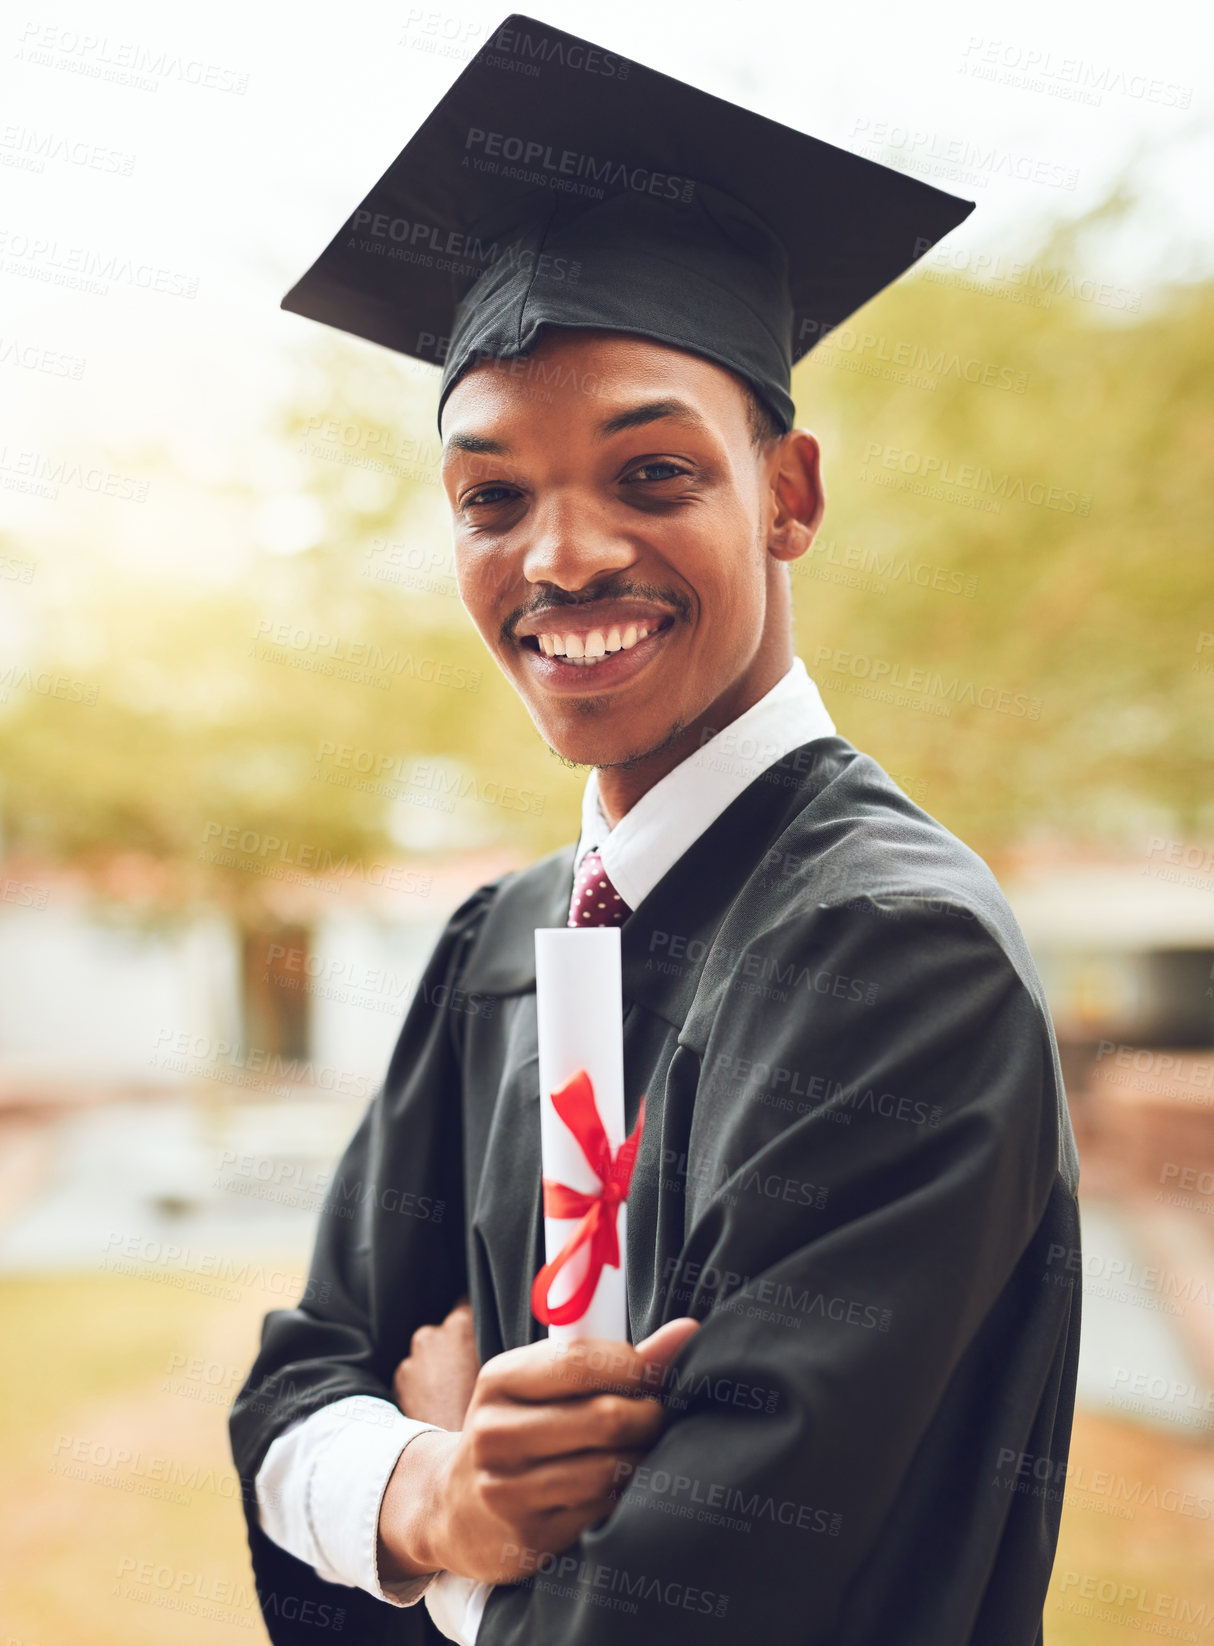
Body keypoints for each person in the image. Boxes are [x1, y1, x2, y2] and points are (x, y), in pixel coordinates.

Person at [230, 14, 1082, 1645]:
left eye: (650, 471)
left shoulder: (891, 956)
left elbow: (687, 1605)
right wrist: (435, 1490)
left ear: (788, 496)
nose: (559, 558)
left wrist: (446, 1552)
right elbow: (291, 1388)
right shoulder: (504, 937)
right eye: (491, 496)